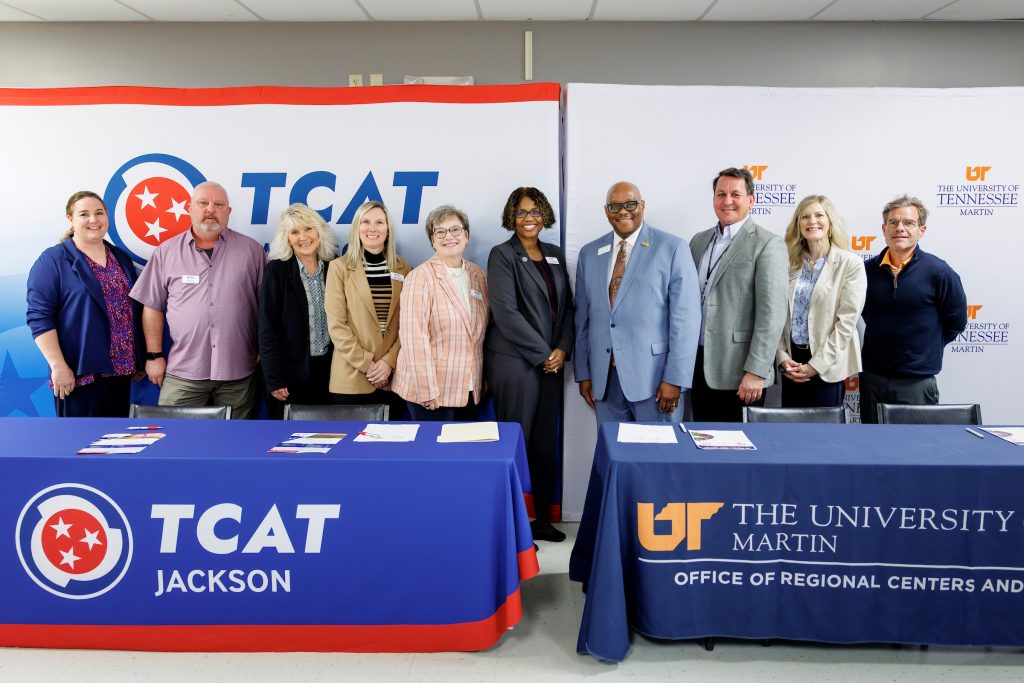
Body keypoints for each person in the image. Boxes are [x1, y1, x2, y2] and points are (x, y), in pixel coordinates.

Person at [130, 181, 265, 419]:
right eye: (203, 203)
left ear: (228, 212)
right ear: (189, 208)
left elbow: (268, 308)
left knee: (235, 443)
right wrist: (153, 356)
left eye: (219, 204)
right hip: (184, 371)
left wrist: (263, 350)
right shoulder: (166, 252)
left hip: (238, 371)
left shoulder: (252, 251)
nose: (210, 210)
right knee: (172, 439)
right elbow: (152, 307)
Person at [486, 187, 574, 542]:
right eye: (522, 212)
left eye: (535, 212)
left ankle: (539, 522)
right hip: (515, 363)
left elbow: (568, 308)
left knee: (543, 445)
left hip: (552, 363)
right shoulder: (502, 254)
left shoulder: (553, 254)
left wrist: (562, 350)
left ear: (544, 215)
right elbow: (506, 313)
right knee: (515, 443)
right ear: (512, 216)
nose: (529, 219)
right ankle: (511, 523)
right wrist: (543, 354)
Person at [574, 181, 700, 424]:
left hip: (655, 382)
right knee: (613, 456)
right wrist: (584, 373)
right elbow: (583, 319)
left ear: (642, 206)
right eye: (615, 206)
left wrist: (675, 378)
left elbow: (686, 321)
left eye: (630, 204)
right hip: (605, 381)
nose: (623, 211)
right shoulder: (589, 254)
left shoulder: (672, 248)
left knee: (657, 458)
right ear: (606, 211)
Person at [26, 191, 143, 417]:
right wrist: (58, 366)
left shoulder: (120, 257)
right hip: (79, 373)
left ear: (107, 217)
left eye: (99, 213)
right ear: (71, 219)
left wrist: (138, 356)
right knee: (80, 445)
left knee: (115, 444)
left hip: (121, 370)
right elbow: (39, 318)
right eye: (84, 214)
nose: (93, 220)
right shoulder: (53, 261)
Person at [689, 167, 788, 422]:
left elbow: (772, 315)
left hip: (741, 373)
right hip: (698, 366)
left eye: (735, 194)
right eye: (721, 194)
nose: (727, 200)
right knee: (702, 444)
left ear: (751, 200)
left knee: (737, 452)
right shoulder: (698, 241)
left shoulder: (767, 243)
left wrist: (756, 371)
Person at [859, 194, 967, 423]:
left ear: (922, 230)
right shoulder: (865, 271)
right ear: (884, 228)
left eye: (908, 223)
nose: (900, 228)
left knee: (917, 450)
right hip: (872, 379)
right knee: (872, 450)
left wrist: (922, 350)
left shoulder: (940, 273)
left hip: (917, 382)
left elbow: (955, 323)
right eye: (893, 222)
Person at [393, 204, 488, 421]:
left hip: (469, 390)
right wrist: (426, 390)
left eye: (455, 230)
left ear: (466, 236)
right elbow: (413, 338)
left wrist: (481, 378)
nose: (449, 237)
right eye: (440, 232)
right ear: (432, 240)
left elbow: (483, 333)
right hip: (432, 392)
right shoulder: (420, 277)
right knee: (435, 453)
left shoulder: (478, 276)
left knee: (464, 453)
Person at [776, 195, 867, 408]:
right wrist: (782, 358)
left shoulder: (850, 263)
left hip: (828, 365)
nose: (812, 221)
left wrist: (815, 365)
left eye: (819, 215)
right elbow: (777, 314)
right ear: (798, 224)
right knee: (788, 433)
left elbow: (846, 324)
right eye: (805, 217)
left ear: (830, 222)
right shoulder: (788, 263)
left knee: (823, 437)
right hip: (792, 363)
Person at [324, 200, 410, 417]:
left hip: (393, 379)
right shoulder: (339, 268)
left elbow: (409, 323)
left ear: (388, 229)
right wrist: (369, 365)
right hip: (351, 379)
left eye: (380, 222)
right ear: (357, 228)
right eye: (366, 222)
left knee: (391, 449)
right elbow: (337, 325)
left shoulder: (404, 268)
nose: (373, 228)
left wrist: (388, 363)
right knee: (350, 449)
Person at [259, 203, 337, 419]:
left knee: (327, 437)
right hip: (289, 376)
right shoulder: (277, 270)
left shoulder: (334, 267)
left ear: (319, 231)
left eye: (308, 229)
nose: (303, 237)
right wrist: (273, 378)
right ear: (287, 238)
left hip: (330, 373)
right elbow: (267, 329)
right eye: (294, 232)